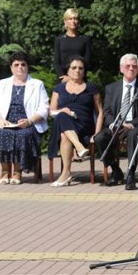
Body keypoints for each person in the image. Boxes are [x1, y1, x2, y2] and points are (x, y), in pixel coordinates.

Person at [95, 54, 138, 190]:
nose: (131, 68)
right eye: (128, 66)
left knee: (133, 134)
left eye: (134, 66)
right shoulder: (111, 88)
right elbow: (107, 111)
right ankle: (115, 169)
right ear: (121, 68)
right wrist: (114, 124)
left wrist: (131, 123)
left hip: (137, 126)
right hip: (116, 126)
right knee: (99, 138)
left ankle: (131, 174)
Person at [0, 52, 49, 184]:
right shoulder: (2, 83)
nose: (20, 67)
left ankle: (17, 172)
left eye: (23, 64)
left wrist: (29, 121)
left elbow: (44, 108)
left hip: (28, 124)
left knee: (22, 135)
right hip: (6, 121)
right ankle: (5, 172)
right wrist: (0, 120)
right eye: (16, 64)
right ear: (11, 67)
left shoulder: (37, 84)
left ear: (27, 67)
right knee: (0, 133)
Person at [48, 56, 103, 187]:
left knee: (64, 133)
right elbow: (51, 112)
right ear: (68, 71)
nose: (77, 70)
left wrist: (97, 133)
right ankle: (78, 148)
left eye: (80, 68)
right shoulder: (59, 89)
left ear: (84, 71)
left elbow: (100, 112)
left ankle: (66, 174)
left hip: (84, 126)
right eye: (74, 67)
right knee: (62, 117)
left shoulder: (91, 88)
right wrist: (64, 111)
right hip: (64, 124)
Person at [53, 8, 91, 83]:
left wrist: (77, 77)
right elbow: (56, 62)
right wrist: (64, 77)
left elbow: (87, 61)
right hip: (63, 80)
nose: (73, 21)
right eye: (70, 19)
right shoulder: (59, 39)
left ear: (78, 21)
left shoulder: (85, 39)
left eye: (75, 19)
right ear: (65, 21)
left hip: (80, 79)